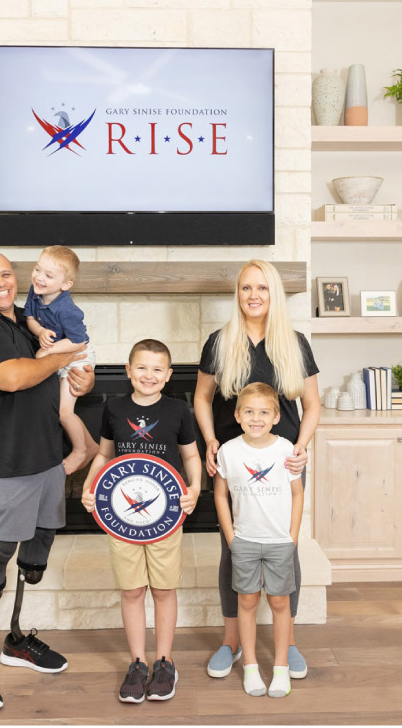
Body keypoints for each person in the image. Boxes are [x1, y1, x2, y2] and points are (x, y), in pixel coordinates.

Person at [0, 250, 94, 712]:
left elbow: (60, 373)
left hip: (46, 458)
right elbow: (13, 378)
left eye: (6, 274)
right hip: (7, 463)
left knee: (34, 553)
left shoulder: (29, 315)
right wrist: (62, 359)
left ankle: (15, 640)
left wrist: (82, 379)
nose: (1, 282)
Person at [194, 259, 320, 682]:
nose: (254, 295)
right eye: (247, 287)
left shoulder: (295, 342)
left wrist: (301, 448)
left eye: (262, 288)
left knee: (287, 546)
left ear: (273, 294)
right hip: (234, 462)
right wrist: (211, 440)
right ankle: (231, 641)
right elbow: (201, 397)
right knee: (234, 550)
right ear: (238, 294)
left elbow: (313, 404)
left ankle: (290, 643)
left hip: (282, 460)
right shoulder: (220, 341)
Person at [81, 339, 201, 704]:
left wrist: (195, 488)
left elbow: (191, 455)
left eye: (157, 369)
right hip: (122, 519)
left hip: (166, 516)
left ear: (168, 375)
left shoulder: (180, 410)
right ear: (128, 370)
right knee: (132, 590)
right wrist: (89, 487)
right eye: (142, 368)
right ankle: (137, 662)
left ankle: (164, 661)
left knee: (164, 589)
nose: (149, 375)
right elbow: (103, 454)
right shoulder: (113, 408)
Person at [214, 382, 303, 698]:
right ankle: (250, 666)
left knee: (279, 602)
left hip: (279, 542)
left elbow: (297, 492)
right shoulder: (229, 451)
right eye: (249, 412)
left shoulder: (286, 450)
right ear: (237, 415)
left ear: (276, 417)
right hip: (245, 541)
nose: (256, 418)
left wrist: (291, 538)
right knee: (247, 602)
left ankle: (280, 668)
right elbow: (221, 494)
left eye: (264, 412)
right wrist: (231, 537)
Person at [24, 245, 99, 474]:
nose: (39, 277)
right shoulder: (35, 291)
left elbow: (80, 341)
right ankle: (93, 448)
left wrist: (49, 351)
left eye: (48, 275)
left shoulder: (67, 310)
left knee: (64, 412)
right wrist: (39, 332)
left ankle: (80, 451)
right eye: (38, 269)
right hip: (59, 354)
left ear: (65, 285)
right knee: (56, 407)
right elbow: (29, 316)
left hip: (76, 356)